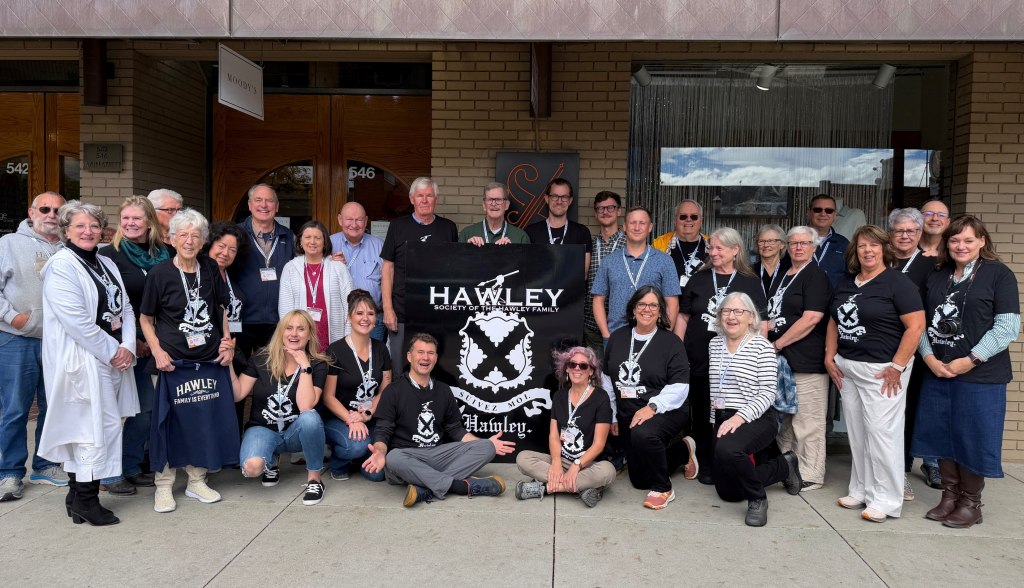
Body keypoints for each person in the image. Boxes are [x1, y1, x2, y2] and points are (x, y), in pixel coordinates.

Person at [914, 216, 1020, 529]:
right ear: (947, 244)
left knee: (971, 438)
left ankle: (971, 503)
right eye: (955, 240)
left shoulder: (999, 275)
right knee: (942, 434)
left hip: (979, 376)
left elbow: (1007, 327)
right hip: (939, 371)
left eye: (968, 240)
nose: (961, 246)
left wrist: (971, 359)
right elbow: (919, 321)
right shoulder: (938, 275)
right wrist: (929, 357)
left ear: (982, 242)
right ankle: (949, 496)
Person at [38, 200, 139, 526]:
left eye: (94, 226)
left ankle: (74, 496)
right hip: (80, 360)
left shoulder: (104, 263)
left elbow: (126, 309)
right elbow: (77, 322)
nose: (88, 231)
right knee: (91, 429)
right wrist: (114, 350)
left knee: (95, 426)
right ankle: (86, 499)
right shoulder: (62, 266)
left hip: (109, 358)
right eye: (80, 226)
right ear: (66, 230)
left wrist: (127, 346)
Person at [140, 209, 238, 514]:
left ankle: (196, 480)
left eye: (196, 235)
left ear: (203, 240)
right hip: (171, 364)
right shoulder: (160, 274)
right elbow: (145, 318)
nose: (189, 240)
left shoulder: (209, 268)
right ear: (172, 238)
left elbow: (222, 308)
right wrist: (156, 350)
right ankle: (164, 485)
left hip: (207, 361)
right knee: (167, 424)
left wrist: (227, 342)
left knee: (200, 421)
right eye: (183, 234)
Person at [825, 225, 924, 523]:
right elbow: (833, 321)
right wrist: (830, 356)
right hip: (849, 367)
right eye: (862, 246)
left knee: (882, 435)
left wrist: (897, 366)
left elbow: (916, 327)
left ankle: (887, 499)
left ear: (884, 249)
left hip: (883, 371)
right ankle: (862, 489)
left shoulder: (898, 282)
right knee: (858, 432)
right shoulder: (846, 282)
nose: (868, 251)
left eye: (874, 245)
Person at [362, 333, 515, 507]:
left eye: (430, 353)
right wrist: (380, 452)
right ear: (409, 356)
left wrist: (483, 443)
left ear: (435, 358)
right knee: (394, 457)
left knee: (487, 447)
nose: (425, 357)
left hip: (438, 455)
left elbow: (455, 429)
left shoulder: (444, 390)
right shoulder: (393, 390)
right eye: (420, 352)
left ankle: (425, 488)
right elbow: (383, 430)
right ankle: (458, 486)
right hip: (407, 456)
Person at [678, 227, 767, 484]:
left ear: (735, 250)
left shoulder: (749, 281)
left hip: (734, 363)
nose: (713, 253)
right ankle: (703, 461)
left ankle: (724, 462)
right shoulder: (700, 278)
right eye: (711, 248)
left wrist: (759, 357)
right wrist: (678, 352)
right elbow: (684, 317)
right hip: (697, 360)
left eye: (719, 248)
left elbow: (762, 323)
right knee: (702, 414)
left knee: (727, 414)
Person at [95, 196, 170, 496]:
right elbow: (109, 304)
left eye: (136, 218)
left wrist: (158, 340)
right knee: (127, 409)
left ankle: (133, 465)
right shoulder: (108, 256)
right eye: (125, 218)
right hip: (127, 344)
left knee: (150, 409)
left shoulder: (166, 254)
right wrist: (135, 339)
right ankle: (111, 472)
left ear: (150, 221)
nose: (130, 223)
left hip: (162, 343)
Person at [708, 292, 802, 527]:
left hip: (756, 416)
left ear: (751, 317)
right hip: (722, 416)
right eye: (726, 311)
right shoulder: (714, 344)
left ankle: (758, 499)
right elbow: (715, 389)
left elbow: (768, 393)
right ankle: (784, 466)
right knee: (728, 492)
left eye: (738, 311)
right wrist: (715, 421)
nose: (731, 316)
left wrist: (740, 417)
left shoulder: (761, 346)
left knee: (728, 448)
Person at [0, 191, 69, 502]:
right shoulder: (9, 244)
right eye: (45, 208)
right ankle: (10, 473)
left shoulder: (69, 247)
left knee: (53, 407)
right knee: (15, 409)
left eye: (58, 210)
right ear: (32, 212)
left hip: (57, 341)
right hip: (18, 339)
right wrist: (13, 318)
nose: (52, 214)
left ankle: (45, 465)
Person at [603, 286, 692, 510]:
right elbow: (606, 380)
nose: (647, 310)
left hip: (666, 410)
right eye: (642, 304)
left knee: (644, 433)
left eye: (653, 305)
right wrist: (612, 415)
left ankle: (664, 488)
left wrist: (652, 407)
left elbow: (680, 387)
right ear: (633, 308)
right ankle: (683, 450)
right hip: (627, 413)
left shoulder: (671, 343)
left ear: (661, 312)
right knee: (639, 480)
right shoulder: (618, 338)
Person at [231, 310, 331, 506]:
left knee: (310, 418)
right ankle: (271, 461)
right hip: (263, 429)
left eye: (301, 329)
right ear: (281, 332)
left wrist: (305, 367)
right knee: (252, 468)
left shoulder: (317, 363)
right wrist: (227, 365)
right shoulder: (261, 358)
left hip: (295, 433)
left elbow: (305, 406)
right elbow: (238, 394)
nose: (294, 334)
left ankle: (314, 479)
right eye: (289, 328)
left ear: (309, 334)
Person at [770, 226, 832, 493]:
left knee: (808, 421)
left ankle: (811, 473)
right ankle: (787, 469)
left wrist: (779, 343)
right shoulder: (784, 275)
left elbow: (812, 318)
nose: (798, 248)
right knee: (785, 422)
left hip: (807, 360)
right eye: (793, 243)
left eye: (804, 243)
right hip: (784, 361)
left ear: (814, 247)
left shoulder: (815, 276)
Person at [515, 346, 615, 507]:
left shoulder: (601, 398)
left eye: (583, 365)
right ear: (566, 368)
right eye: (572, 364)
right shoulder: (560, 396)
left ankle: (546, 488)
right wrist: (555, 462)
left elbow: (598, 445)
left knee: (608, 471)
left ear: (591, 371)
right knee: (523, 458)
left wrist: (576, 466)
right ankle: (586, 489)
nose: (577, 368)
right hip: (562, 460)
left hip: (587, 464)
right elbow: (554, 436)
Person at [887, 208, 940, 496]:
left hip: (914, 352)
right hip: (879, 349)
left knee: (905, 413)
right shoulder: (882, 261)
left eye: (910, 231)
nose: (904, 236)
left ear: (920, 234)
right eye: (899, 230)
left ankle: (902, 471)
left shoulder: (931, 266)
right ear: (890, 233)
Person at [380, 178, 458, 367]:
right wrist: (388, 309)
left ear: (436, 199)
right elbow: (387, 268)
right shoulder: (398, 227)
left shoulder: (448, 228)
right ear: (411, 198)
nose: (424, 200)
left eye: (429, 195)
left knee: (436, 366)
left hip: (437, 311)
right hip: (402, 312)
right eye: (420, 195)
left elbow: (455, 269)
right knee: (400, 366)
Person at [322, 289, 392, 481]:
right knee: (356, 445)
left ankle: (359, 457)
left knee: (378, 474)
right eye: (359, 313)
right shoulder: (335, 350)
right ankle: (339, 462)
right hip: (339, 417)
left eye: (370, 314)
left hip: (369, 415)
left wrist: (366, 415)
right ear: (349, 317)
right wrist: (351, 419)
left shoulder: (381, 349)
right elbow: (328, 396)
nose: (365, 318)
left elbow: (385, 387)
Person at [592, 206, 679, 346]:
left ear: (650, 227)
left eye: (642, 223)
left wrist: (664, 335)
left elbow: (672, 303)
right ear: (625, 227)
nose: (637, 227)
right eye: (632, 223)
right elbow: (598, 300)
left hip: (653, 338)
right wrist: (606, 335)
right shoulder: (609, 261)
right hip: (616, 336)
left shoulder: (664, 261)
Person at [235, 184, 295, 358]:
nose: (264, 205)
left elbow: (306, 264)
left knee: (271, 373)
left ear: (276, 207)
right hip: (242, 319)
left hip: (278, 320)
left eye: (269, 201)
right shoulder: (235, 234)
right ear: (249, 205)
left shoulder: (288, 236)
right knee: (241, 370)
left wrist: (330, 259)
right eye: (258, 200)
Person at [279, 220, 352, 351]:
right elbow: (285, 309)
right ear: (300, 241)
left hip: (335, 337)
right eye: (307, 237)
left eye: (317, 238)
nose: (312, 242)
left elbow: (350, 305)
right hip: (300, 339)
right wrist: (290, 337)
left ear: (324, 243)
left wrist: (348, 338)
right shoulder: (290, 268)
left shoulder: (338, 268)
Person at [330, 202, 386, 341]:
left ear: (366, 221)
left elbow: (389, 281)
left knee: (372, 359)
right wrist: (329, 263)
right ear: (340, 219)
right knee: (339, 360)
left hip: (372, 319)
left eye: (359, 220)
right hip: (338, 318)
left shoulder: (379, 246)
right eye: (349, 219)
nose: (354, 225)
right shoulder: (328, 244)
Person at [584, 191, 625, 357]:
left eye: (610, 207)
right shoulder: (590, 245)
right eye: (600, 208)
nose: (605, 212)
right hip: (591, 324)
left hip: (622, 323)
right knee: (595, 374)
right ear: (595, 213)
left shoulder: (630, 244)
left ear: (619, 211)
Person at [524, 178, 593, 276]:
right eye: (555, 196)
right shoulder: (531, 231)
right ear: (546, 198)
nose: (559, 201)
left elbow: (583, 274)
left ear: (570, 200)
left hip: (571, 290)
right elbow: (527, 270)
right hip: (539, 290)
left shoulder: (582, 232)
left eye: (564, 197)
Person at [203, 222, 249, 342]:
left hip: (232, 344)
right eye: (221, 246)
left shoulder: (231, 275)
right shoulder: (198, 274)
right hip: (209, 345)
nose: (225, 253)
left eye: (232, 250)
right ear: (210, 244)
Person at [653, 199, 708, 288]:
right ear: (675, 220)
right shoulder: (659, 244)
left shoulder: (712, 245)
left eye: (694, 217)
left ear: (701, 220)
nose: (689, 220)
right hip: (667, 300)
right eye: (683, 216)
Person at [459, 183, 529, 245]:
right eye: (489, 200)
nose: (494, 204)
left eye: (498, 200)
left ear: (507, 205)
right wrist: (468, 248)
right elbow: (458, 259)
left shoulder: (520, 237)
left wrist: (511, 250)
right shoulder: (467, 234)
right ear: (484, 205)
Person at [807, 194, 850, 288]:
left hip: (834, 301)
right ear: (809, 213)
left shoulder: (844, 244)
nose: (823, 214)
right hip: (800, 300)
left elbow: (851, 276)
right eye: (817, 210)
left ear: (834, 215)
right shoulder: (795, 240)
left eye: (829, 211)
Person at [751, 224, 791, 301]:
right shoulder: (749, 272)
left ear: (782, 244)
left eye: (771, 241)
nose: (766, 245)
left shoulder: (790, 270)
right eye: (761, 241)